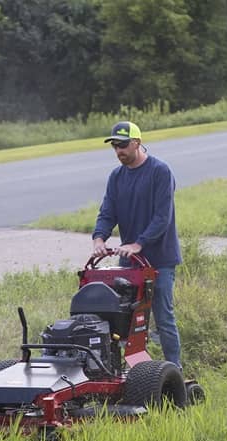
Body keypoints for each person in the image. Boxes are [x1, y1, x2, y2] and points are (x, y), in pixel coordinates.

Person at [91, 120, 183, 368]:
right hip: (130, 262)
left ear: (137, 143)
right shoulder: (117, 176)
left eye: (122, 145)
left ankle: (174, 371)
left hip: (160, 259)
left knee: (164, 319)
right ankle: (130, 370)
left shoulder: (159, 171)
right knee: (126, 321)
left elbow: (162, 217)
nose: (119, 151)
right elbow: (107, 211)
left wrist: (138, 244)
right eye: (115, 147)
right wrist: (99, 237)